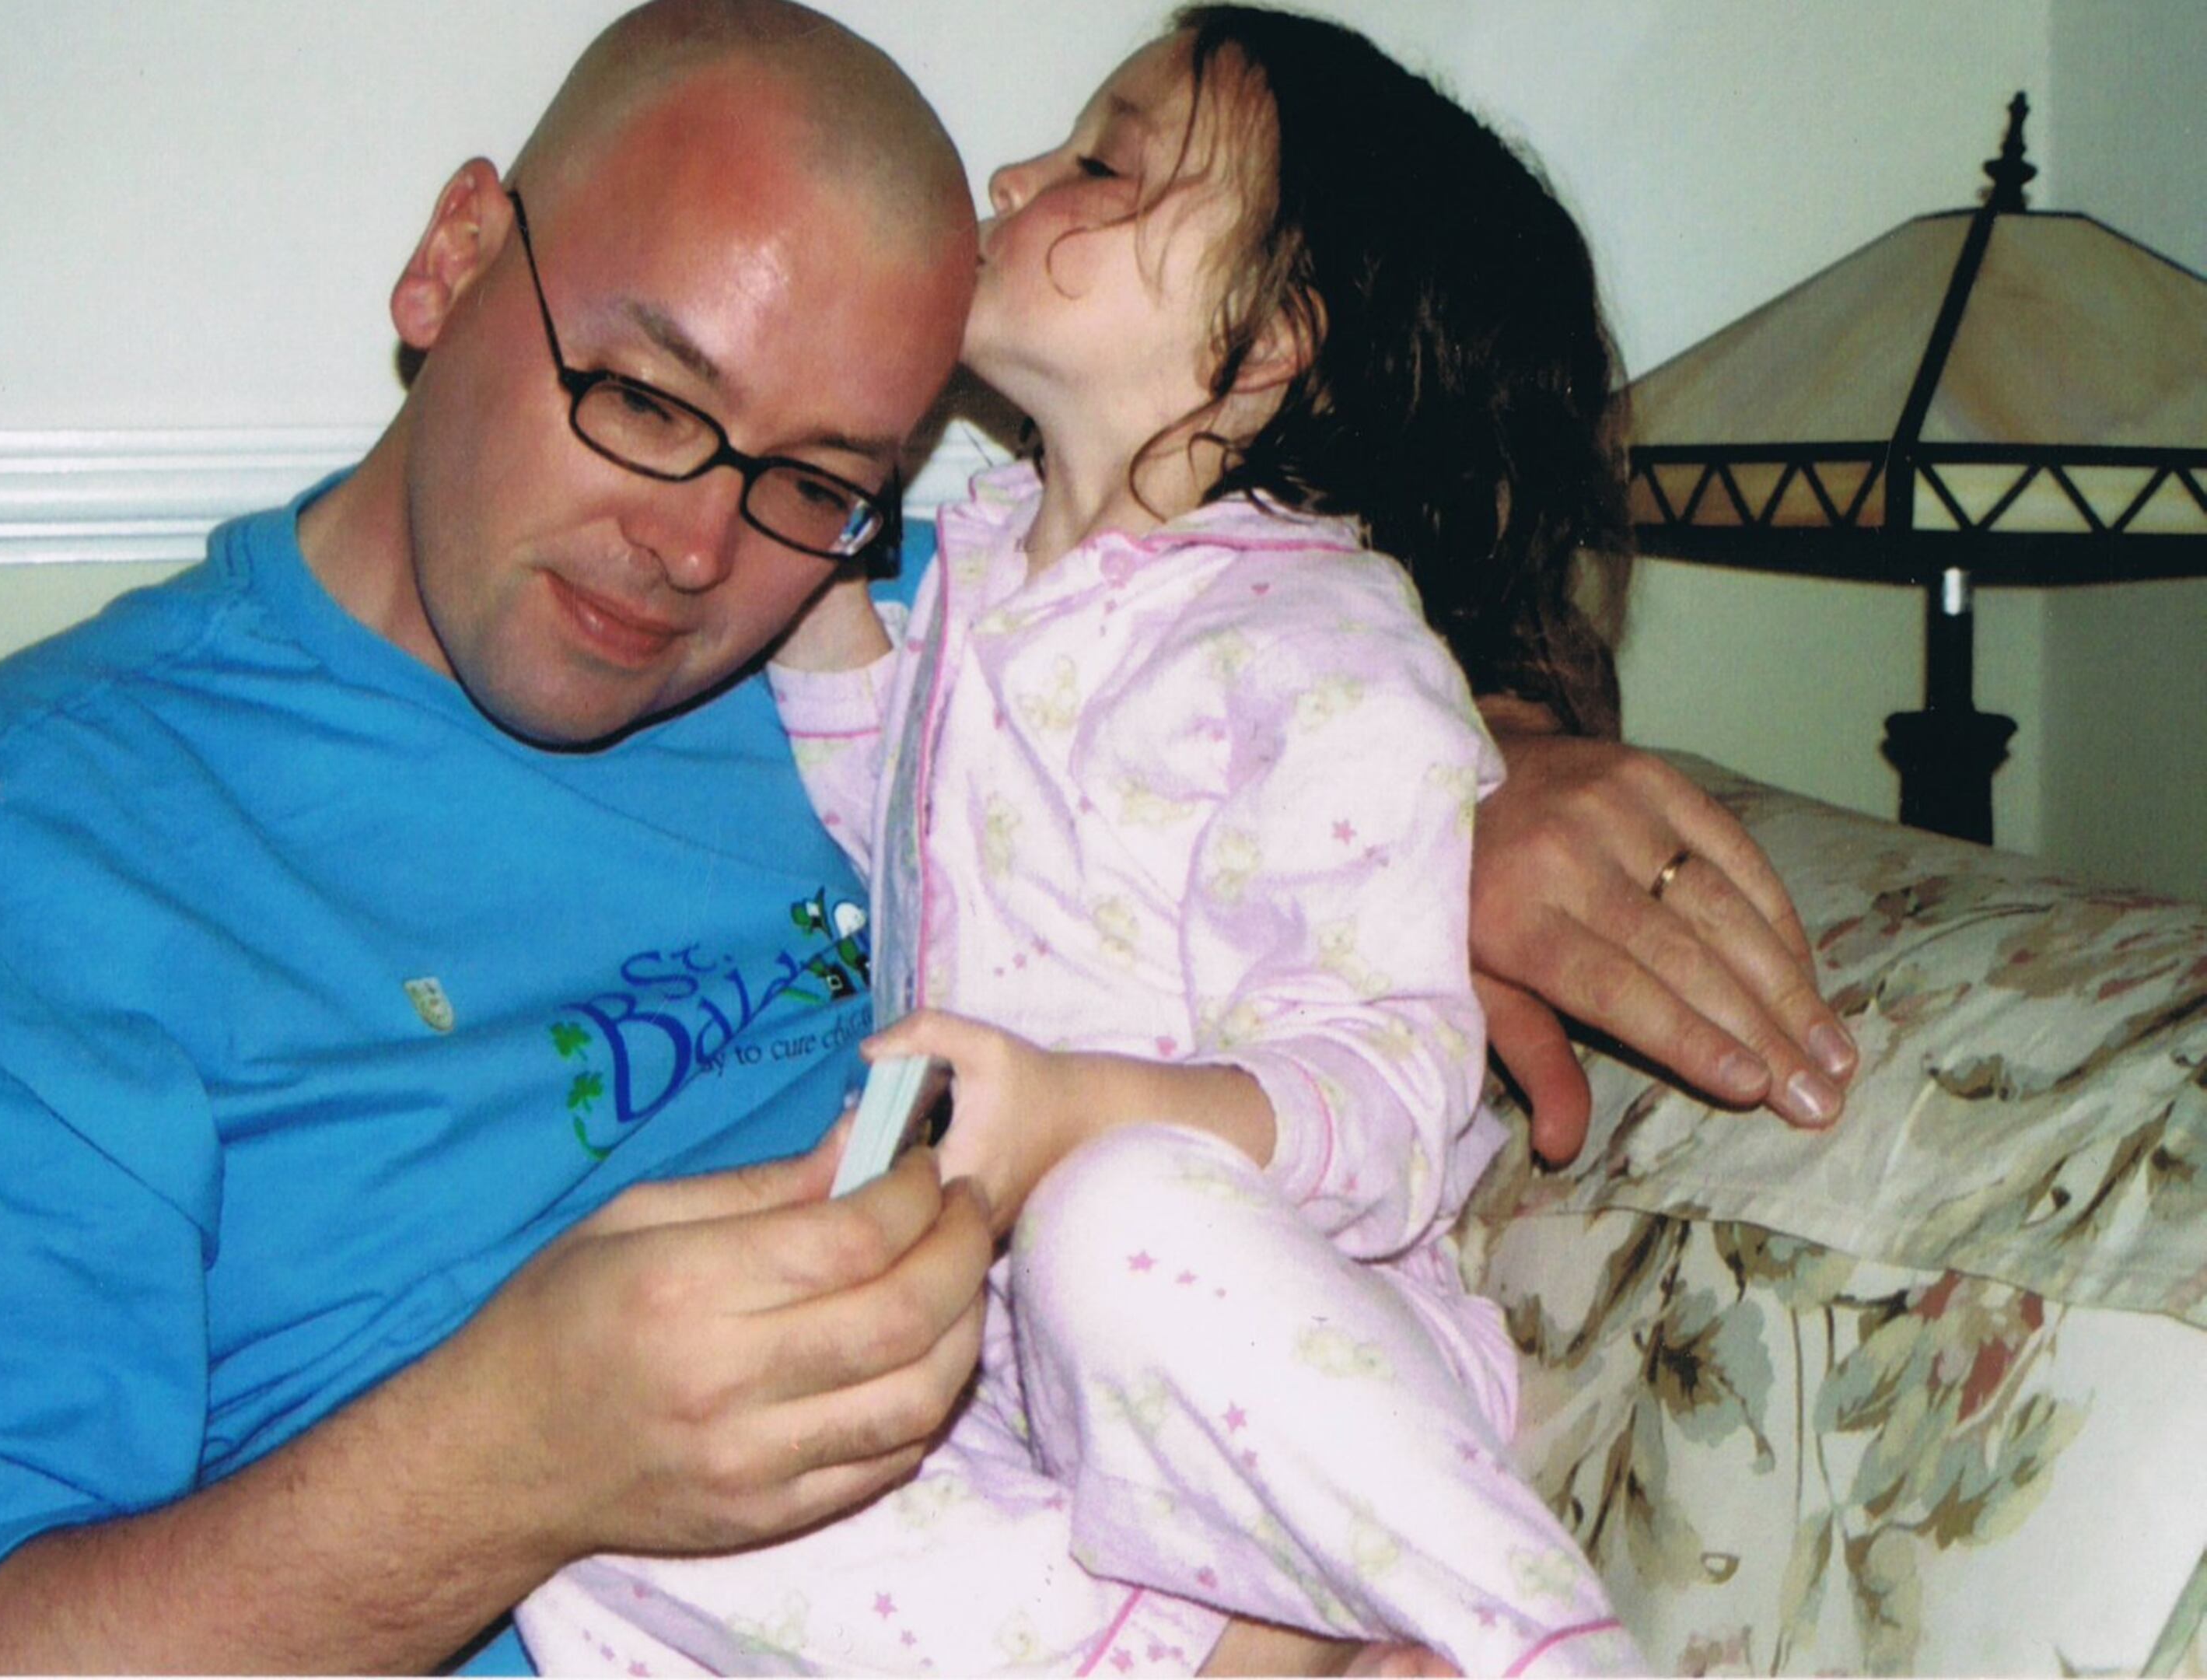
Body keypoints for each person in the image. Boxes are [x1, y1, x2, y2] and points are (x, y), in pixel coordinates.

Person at [0, 2, 1855, 1672]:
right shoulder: (31, 876)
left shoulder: (849, 657)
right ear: (453, 262)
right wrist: (502, 1466)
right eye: (643, 394)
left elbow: (1246, 657)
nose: (687, 550)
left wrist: (1505, 779)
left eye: (820, 476)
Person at [519, 7, 1650, 1671]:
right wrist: (815, 565)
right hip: (1009, 1394)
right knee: (594, 1513)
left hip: (1250, 1353)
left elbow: (1389, 1096)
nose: (1012, 176)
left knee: (1118, 1218)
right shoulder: (979, 567)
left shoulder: (1322, 642)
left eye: (1103, 165)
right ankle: (1229, 1654)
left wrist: (1078, 1122)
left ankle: (1530, 1641)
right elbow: (888, 819)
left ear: (1264, 351)